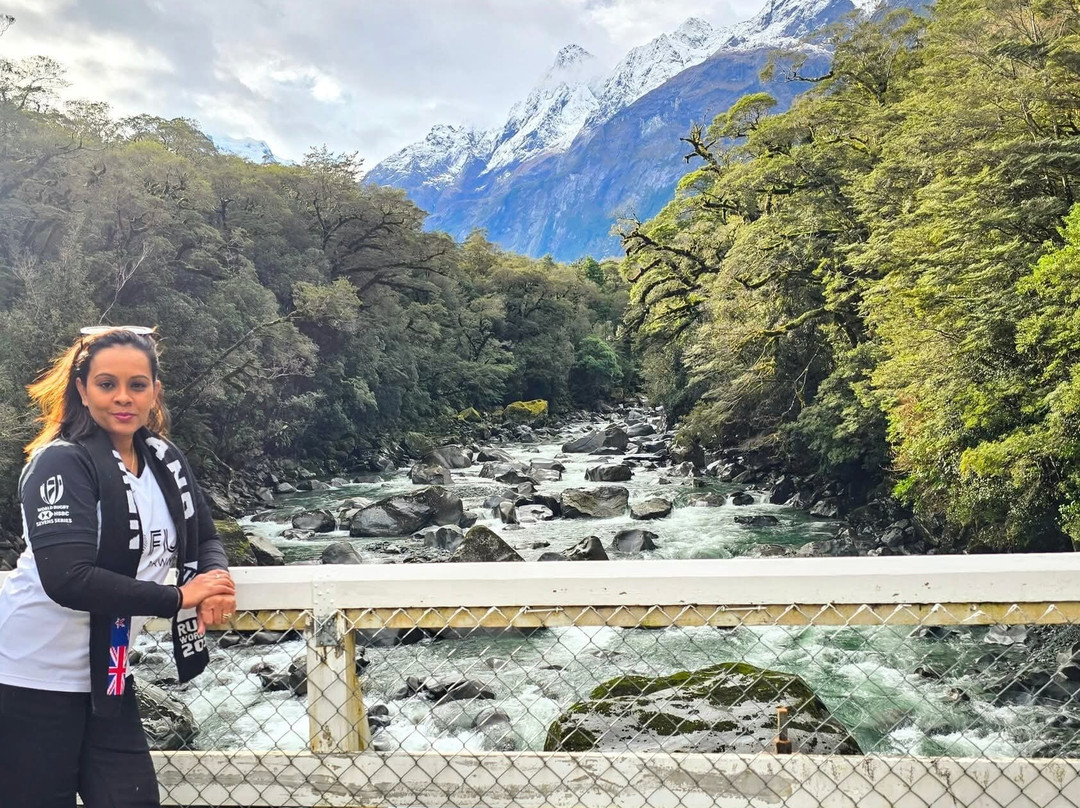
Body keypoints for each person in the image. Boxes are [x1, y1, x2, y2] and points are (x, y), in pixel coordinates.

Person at [0, 326, 238, 808]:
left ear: (155, 391)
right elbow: (68, 578)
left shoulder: (164, 462)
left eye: (137, 384)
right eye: (107, 384)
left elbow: (206, 537)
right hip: (29, 680)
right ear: (82, 391)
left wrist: (215, 584)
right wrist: (178, 598)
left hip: (108, 676)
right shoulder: (61, 464)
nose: (123, 398)